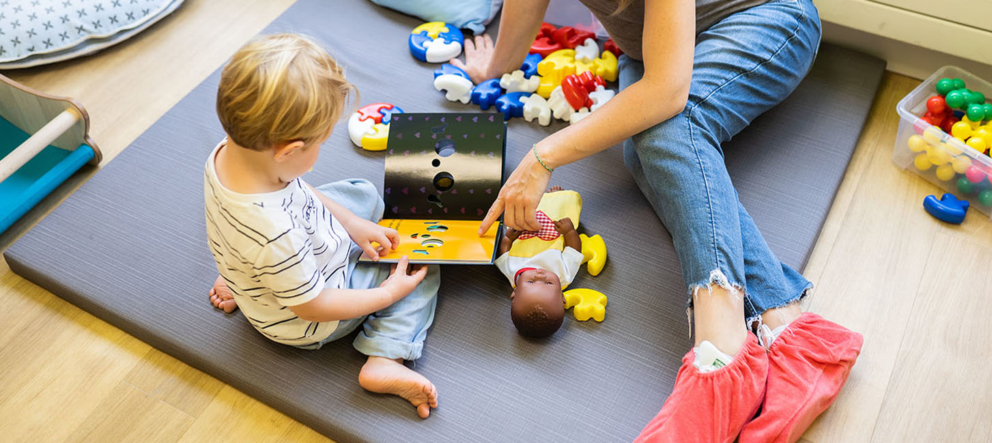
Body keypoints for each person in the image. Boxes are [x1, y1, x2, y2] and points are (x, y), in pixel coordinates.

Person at [453, 0, 863, 440]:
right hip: (650, 51)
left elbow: (668, 93)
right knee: (646, 151)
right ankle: (789, 330)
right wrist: (494, 69)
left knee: (671, 125)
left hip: (763, 18)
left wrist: (542, 157)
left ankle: (722, 345)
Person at [204, 33, 439, 419]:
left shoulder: (230, 152)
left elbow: (298, 190)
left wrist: (350, 223)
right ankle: (385, 356)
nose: (321, 150)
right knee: (419, 269)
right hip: (306, 315)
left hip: (265, 261)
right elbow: (314, 307)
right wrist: (388, 294)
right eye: (320, 143)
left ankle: (242, 279)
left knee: (360, 194)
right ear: (288, 151)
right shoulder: (274, 232)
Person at [495, 186, 585, 338]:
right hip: (554, 228)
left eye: (530, 282)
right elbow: (574, 250)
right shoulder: (564, 275)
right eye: (549, 284)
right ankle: (554, 197)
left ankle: (533, 195)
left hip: (524, 230)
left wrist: (508, 238)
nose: (540, 275)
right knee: (558, 210)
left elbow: (503, 253)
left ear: (515, 292)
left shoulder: (512, 273)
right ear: (562, 297)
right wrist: (569, 232)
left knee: (521, 209)